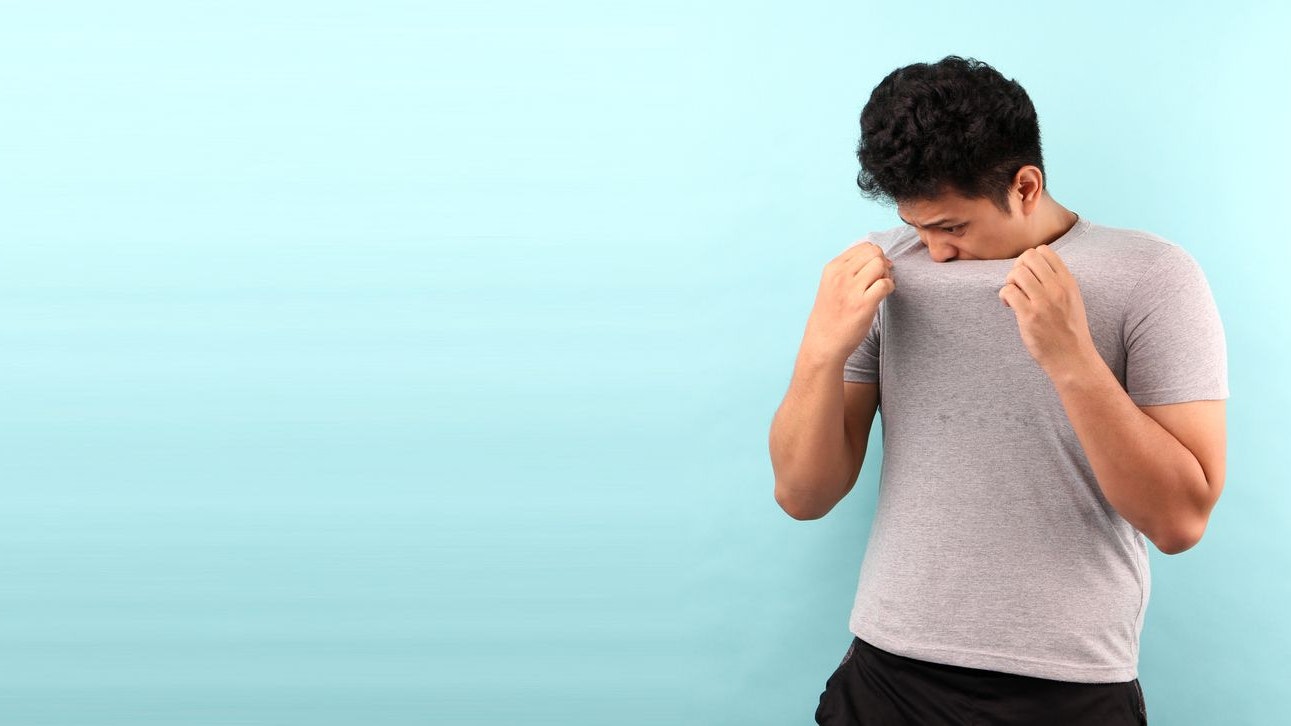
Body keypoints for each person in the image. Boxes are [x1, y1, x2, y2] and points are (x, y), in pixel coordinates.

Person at [767, 56, 1228, 725]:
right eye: (915, 225)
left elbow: (1179, 522)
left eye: (951, 227)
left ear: (1024, 186)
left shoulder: (1151, 277)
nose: (934, 250)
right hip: (887, 675)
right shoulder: (882, 269)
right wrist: (819, 349)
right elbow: (802, 495)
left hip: (1068, 689)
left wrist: (1070, 360)